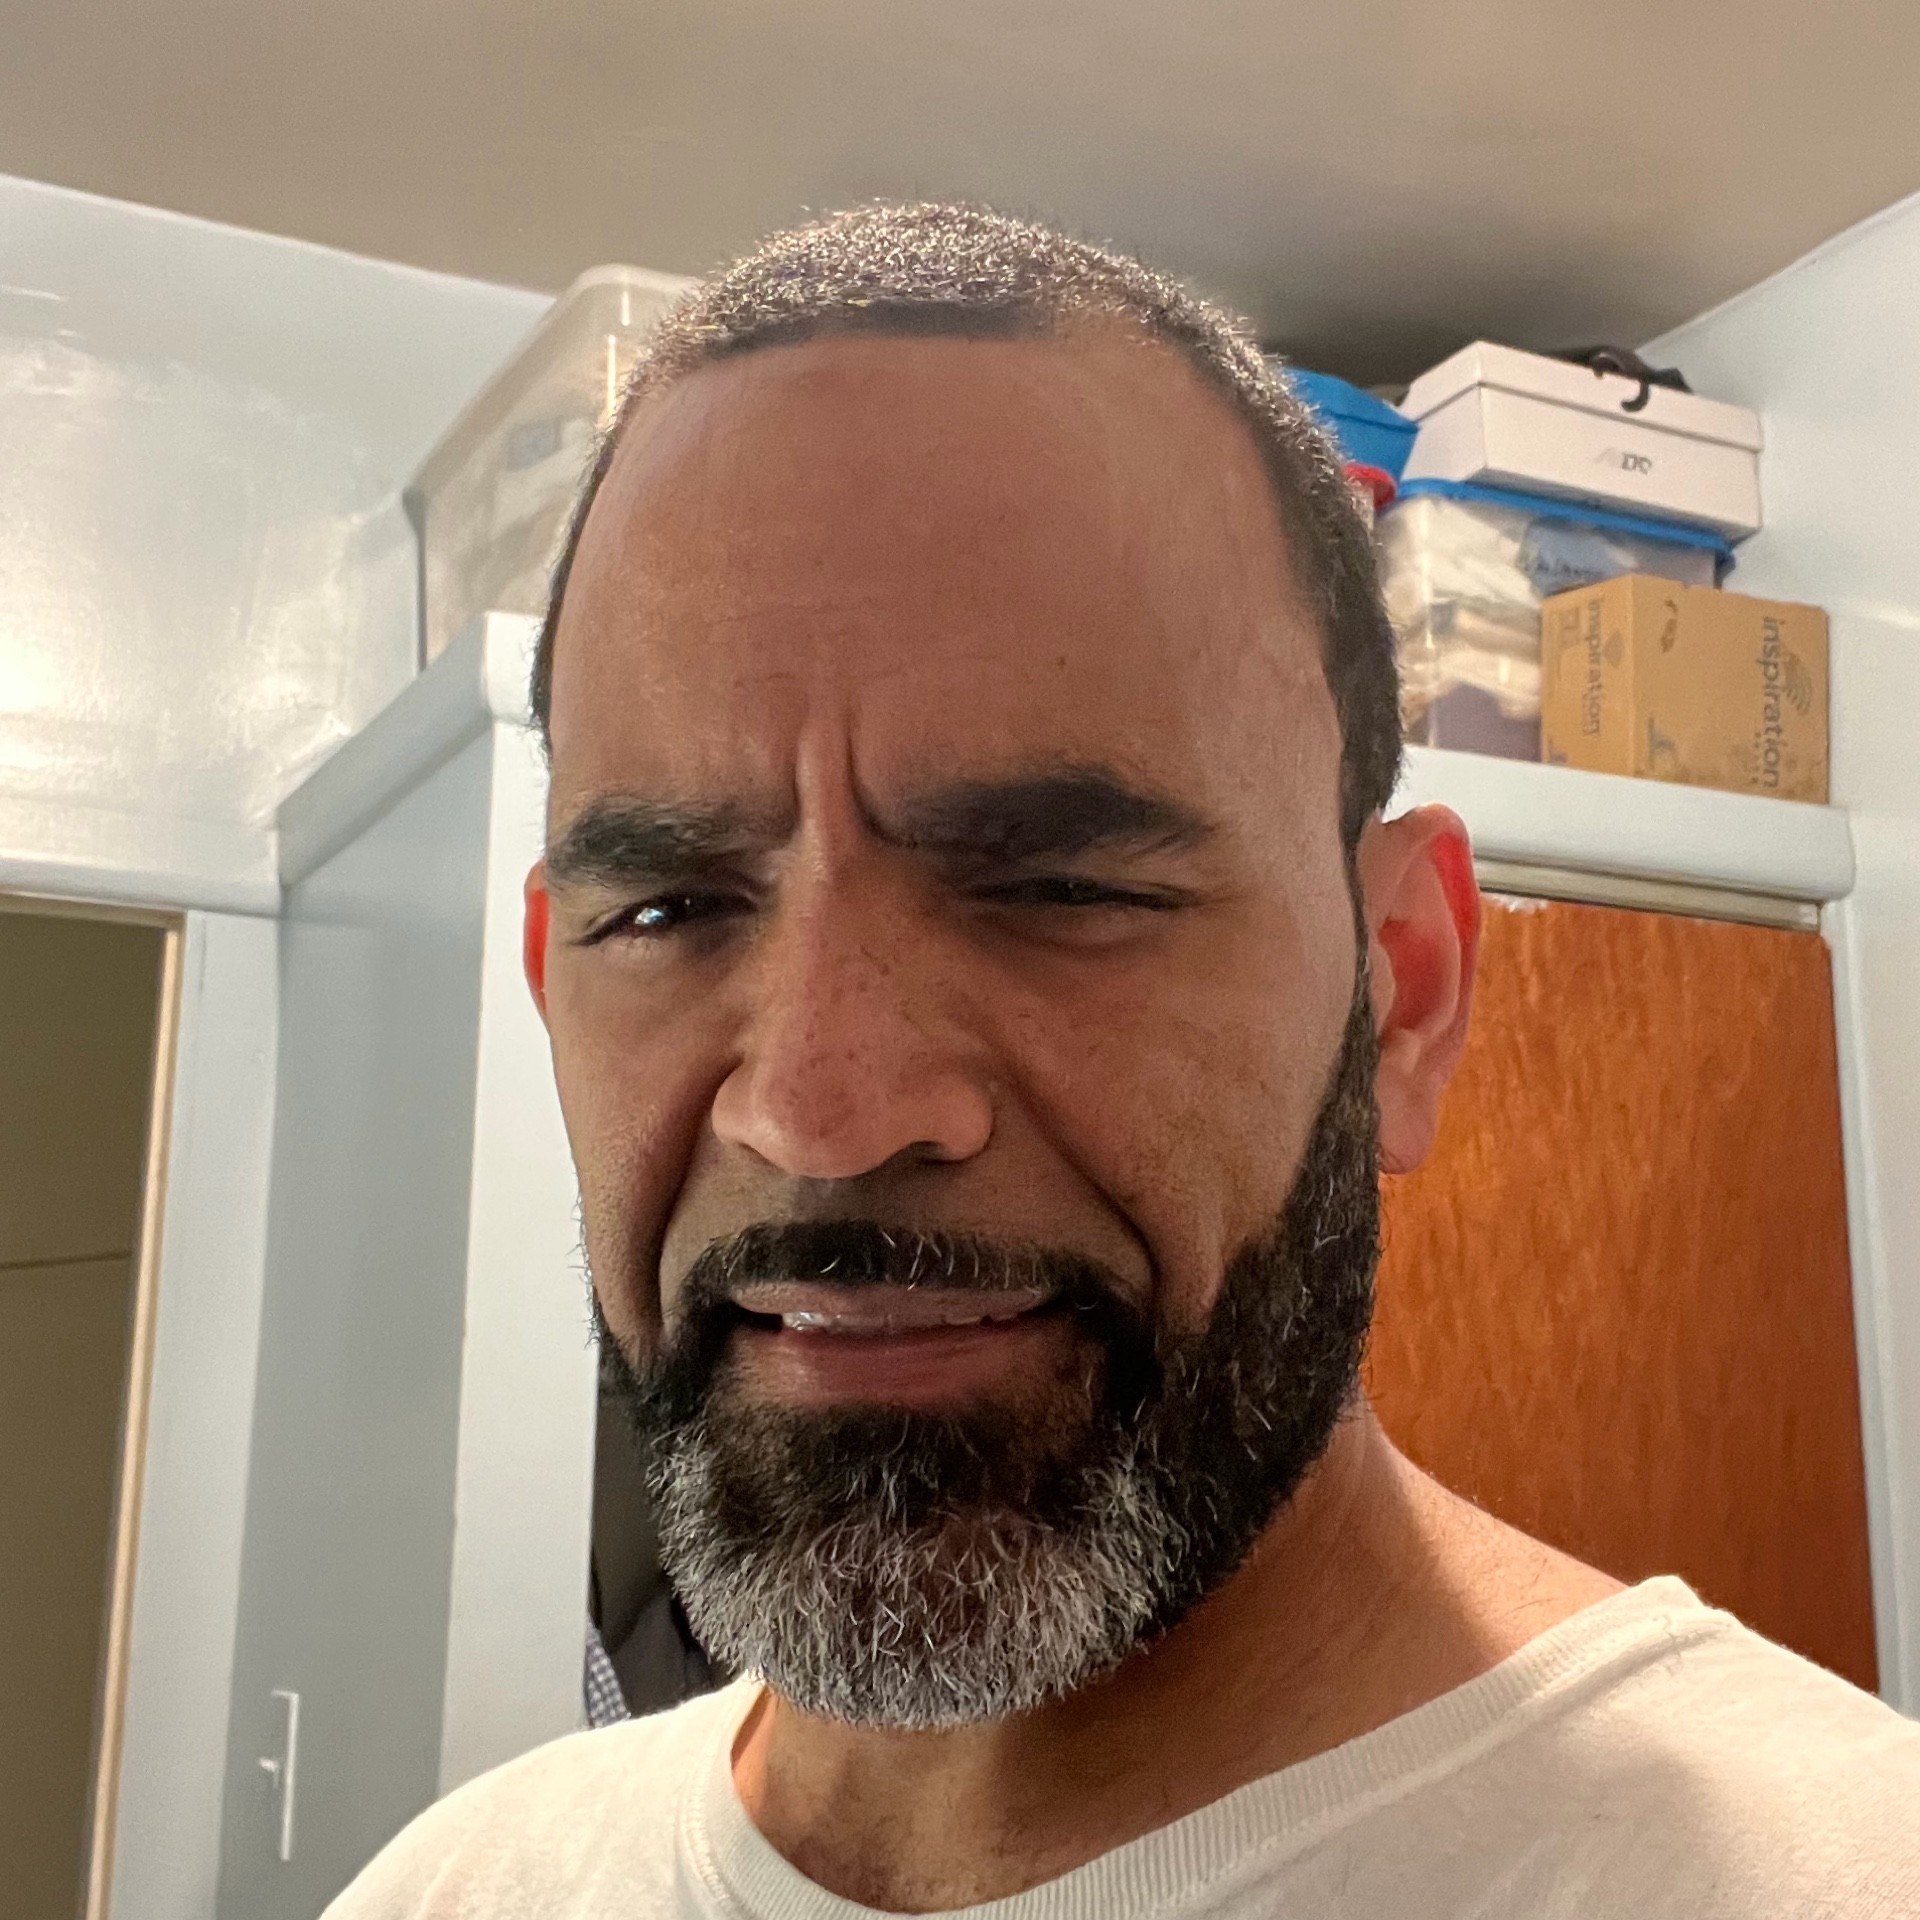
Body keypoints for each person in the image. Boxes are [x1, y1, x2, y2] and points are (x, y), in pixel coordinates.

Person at [327, 203, 1920, 1919]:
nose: (821, 1111)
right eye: (667, 911)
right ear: (550, 983)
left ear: (1403, 988)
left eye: (1060, 889)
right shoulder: (457, 1891)